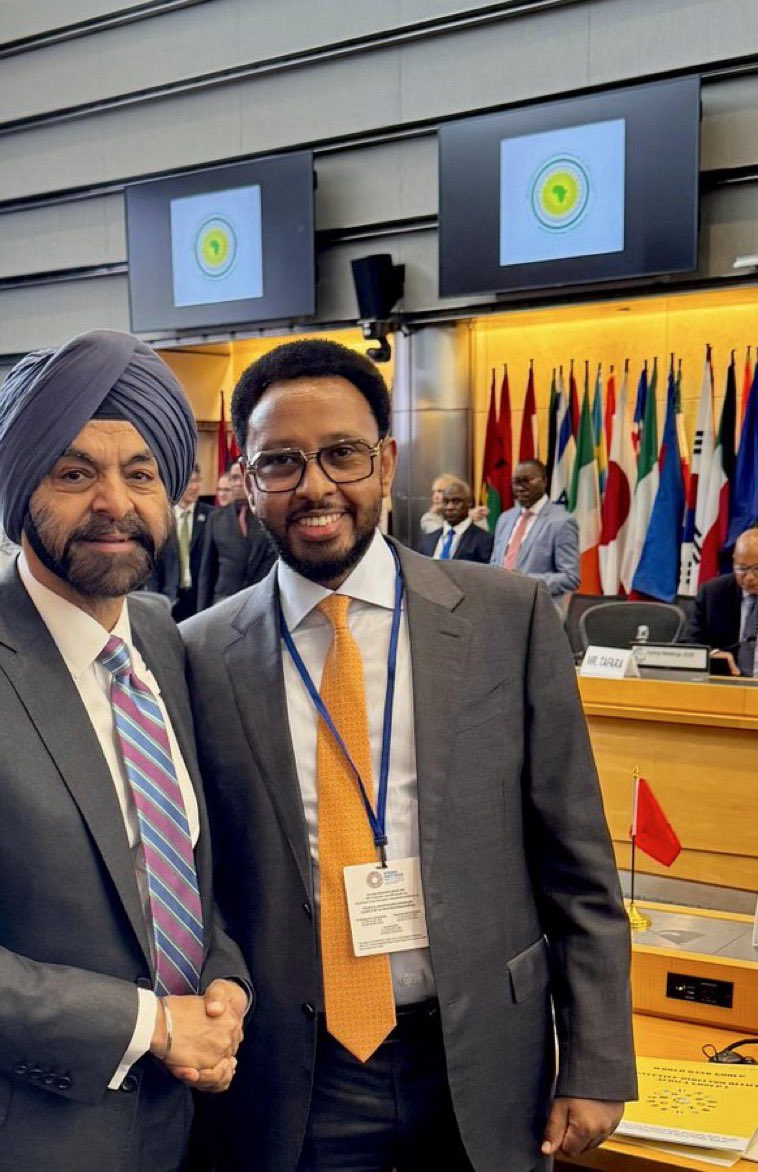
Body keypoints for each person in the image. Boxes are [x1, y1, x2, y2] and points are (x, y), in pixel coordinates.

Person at [181, 338, 635, 1172]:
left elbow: (577, 861)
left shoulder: (509, 618)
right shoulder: (199, 654)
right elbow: (201, 882)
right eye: (280, 461)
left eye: (342, 454)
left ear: (386, 463)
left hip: (486, 1058)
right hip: (296, 1075)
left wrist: (598, 1058)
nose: (315, 486)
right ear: (247, 478)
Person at [0, 329, 249, 1172]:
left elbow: (179, 875)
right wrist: (153, 1024)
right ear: (21, 487)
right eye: (74, 473)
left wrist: (224, 987)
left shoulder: (162, 639)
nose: (114, 502)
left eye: (142, 473)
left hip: (167, 1126)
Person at [491, 459, 580, 605]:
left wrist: (523, 582)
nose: (520, 488)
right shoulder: (505, 519)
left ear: (544, 481)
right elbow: (494, 563)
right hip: (499, 604)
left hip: (537, 608)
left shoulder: (562, 521)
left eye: (527, 481)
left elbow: (570, 578)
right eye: (516, 482)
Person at [196, 460, 276, 610]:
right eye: (234, 478)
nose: (238, 483)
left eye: (242, 477)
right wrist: (202, 610)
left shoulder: (269, 515)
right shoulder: (216, 518)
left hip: (262, 600)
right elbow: (207, 570)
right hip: (224, 600)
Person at [683, 526, 758, 677]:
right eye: (742, 569)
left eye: (757, 569)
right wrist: (712, 654)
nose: (749, 577)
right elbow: (688, 644)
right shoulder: (714, 593)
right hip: (726, 684)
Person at [146, 464, 213, 620]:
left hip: (199, 599)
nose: (194, 487)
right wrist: (154, 597)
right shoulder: (161, 517)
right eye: (189, 482)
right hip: (168, 597)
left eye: (197, 480)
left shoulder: (212, 516)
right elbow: (153, 562)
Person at [417, 478, 493, 563]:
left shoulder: (484, 540)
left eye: (456, 502)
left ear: (469, 502)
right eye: (446, 502)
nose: (449, 507)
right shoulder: (428, 540)